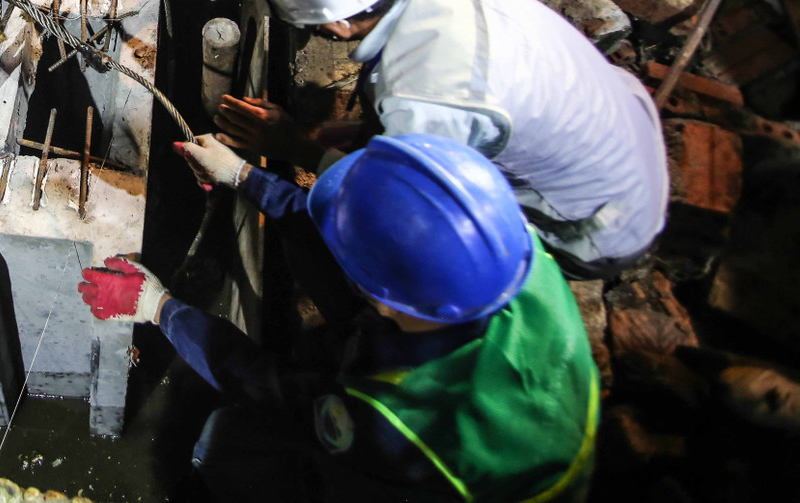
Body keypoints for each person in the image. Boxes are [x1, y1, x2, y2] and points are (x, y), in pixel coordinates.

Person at [79, 135, 600, 503]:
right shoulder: (504, 251)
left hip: (436, 482)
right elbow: (349, 226)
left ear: (387, 301)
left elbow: (273, 392)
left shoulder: (400, 419)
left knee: (227, 442)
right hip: (506, 400)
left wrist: (159, 307)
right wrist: (243, 175)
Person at [188, 0, 668, 279]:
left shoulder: (427, 95)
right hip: (612, 129)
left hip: (589, 226)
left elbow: (394, 206)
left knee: (398, 259)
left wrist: (288, 150)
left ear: (335, 26)